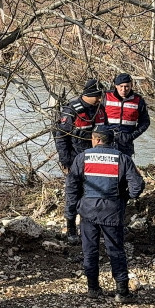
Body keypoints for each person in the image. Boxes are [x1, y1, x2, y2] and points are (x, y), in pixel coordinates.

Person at [64, 127, 145, 302]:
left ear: (96, 140)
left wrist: (71, 214)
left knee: (89, 251)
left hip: (88, 211)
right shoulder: (122, 158)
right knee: (116, 250)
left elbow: (71, 188)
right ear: (111, 140)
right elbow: (137, 186)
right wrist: (123, 198)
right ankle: (122, 292)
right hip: (112, 211)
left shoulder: (82, 158)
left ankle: (93, 289)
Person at [55, 79, 106, 242]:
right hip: (76, 161)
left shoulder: (100, 109)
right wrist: (66, 162)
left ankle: (94, 227)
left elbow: (107, 134)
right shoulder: (71, 111)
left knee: (97, 195)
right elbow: (61, 138)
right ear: (88, 94)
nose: (100, 99)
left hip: (98, 160)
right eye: (97, 96)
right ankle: (71, 228)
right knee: (73, 195)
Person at [104, 73, 151, 156]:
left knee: (124, 166)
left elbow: (145, 122)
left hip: (126, 141)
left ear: (131, 85)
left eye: (126, 86)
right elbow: (97, 116)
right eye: (121, 86)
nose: (124, 89)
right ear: (116, 86)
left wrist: (132, 136)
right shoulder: (106, 97)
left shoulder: (138, 100)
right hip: (106, 139)